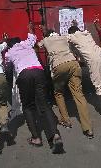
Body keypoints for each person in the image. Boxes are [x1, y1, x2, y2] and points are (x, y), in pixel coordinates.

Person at [4, 23, 64, 154]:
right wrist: (30, 28)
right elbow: (32, 37)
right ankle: (55, 136)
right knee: (44, 104)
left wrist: (9, 82)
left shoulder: (9, 53)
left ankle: (36, 138)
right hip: (38, 72)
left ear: (10, 45)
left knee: (28, 106)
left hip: (24, 75)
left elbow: (8, 71)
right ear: (20, 42)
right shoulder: (27, 44)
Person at [38, 26, 94, 138]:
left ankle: (65, 120)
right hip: (73, 64)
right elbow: (76, 37)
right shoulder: (64, 37)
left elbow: (37, 46)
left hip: (59, 66)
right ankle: (88, 129)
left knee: (58, 93)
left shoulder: (45, 40)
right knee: (79, 95)